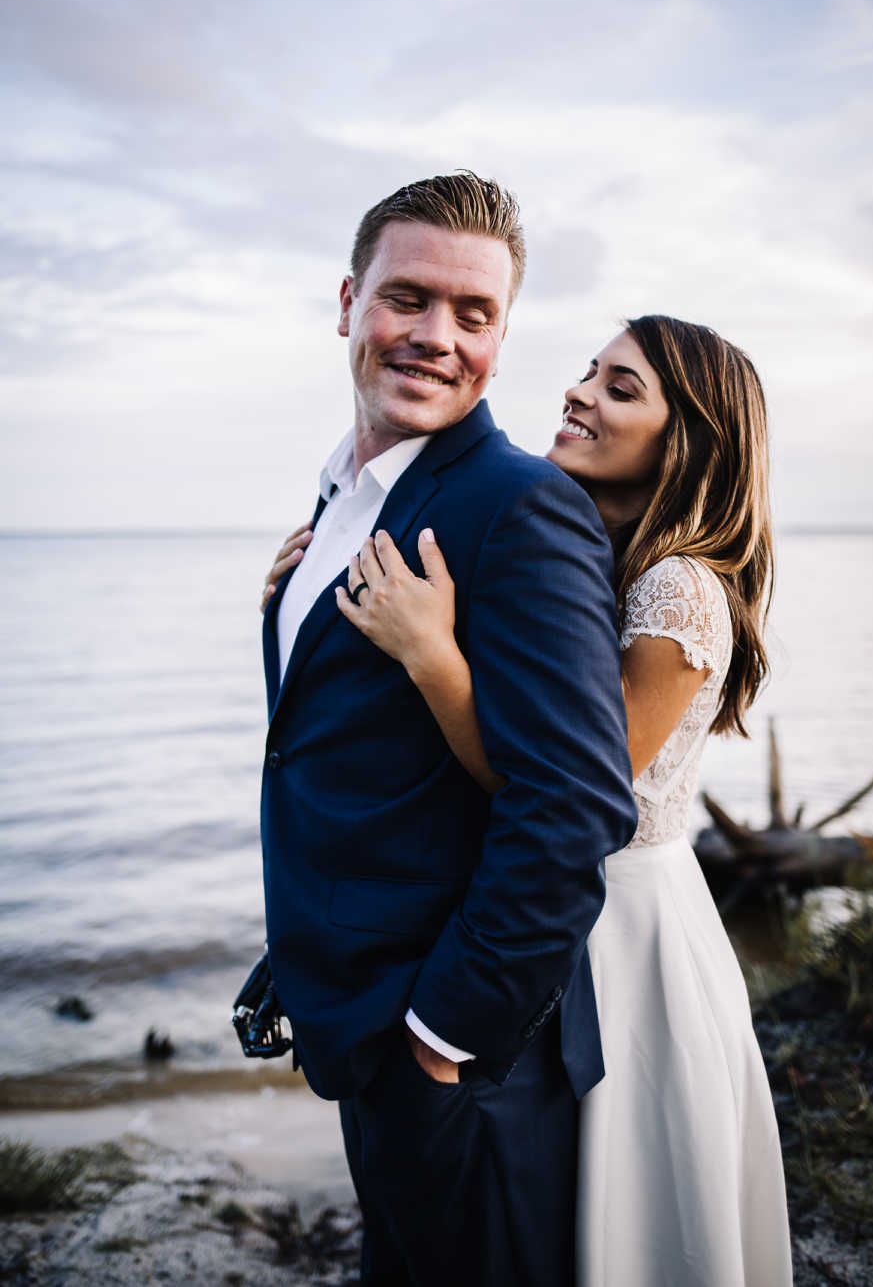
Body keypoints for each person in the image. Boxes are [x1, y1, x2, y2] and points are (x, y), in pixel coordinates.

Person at [262, 314, 794, 1285]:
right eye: (591, 371)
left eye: (620, 388)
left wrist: (432, 656)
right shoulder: (595, 548)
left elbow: (567, 791)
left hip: (624, 929)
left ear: (692, 441)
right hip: (570, 917)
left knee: (619, 1212)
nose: (579, 391)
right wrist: (305, 610)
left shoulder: (679, 589)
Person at [256, 171, 637, 1287]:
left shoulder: (520, 507)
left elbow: (573, 812)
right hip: (356, 1023)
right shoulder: (340, 504)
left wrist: (439, 1039)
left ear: (503, 339)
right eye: (407, 298)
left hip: (460, 1060)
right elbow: (327, 742)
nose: (435, 338)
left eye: (474, 316)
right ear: (346, 302)